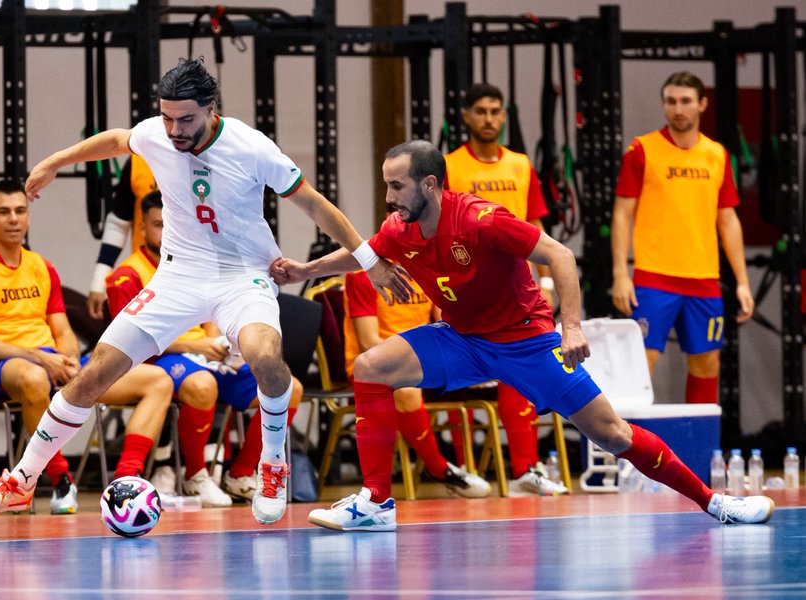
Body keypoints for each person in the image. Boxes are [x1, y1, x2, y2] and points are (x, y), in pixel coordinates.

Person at [0, 57, 410, 526]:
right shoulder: (158, 131)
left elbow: (317, 207)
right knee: (94, 375)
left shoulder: (251, 147)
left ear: (212, 109)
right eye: (167, 117)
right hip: (178, 276)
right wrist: (55, 161)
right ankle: (22, 480)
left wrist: (369, 261)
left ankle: (272, 463)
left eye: (186, 119)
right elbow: (117, 139)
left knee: (266, 358)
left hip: (243, 275)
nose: (174, 129)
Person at [271, 139, 774, 531]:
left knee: (612, 434)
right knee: (371, 367)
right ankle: (377, 501)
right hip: (461, 339)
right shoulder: (400, 228)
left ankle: (715, 501)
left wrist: (570, 325)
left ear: (429, 184)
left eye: (397, 187)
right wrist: (304, 270)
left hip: (525, 343)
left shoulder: (482, 221)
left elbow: (561, 255)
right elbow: (365, 253)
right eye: (386, 186)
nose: (388, 197)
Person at [0, 180, 173, 518]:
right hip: (2, 367)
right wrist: (42, 357)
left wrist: (69, 359)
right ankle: (58, 480)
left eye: (20, 211)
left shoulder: (42, 266)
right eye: (4, 212)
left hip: (52, 360)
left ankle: (127, 477)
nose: (14, 219)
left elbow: (62, 329)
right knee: (34, 377)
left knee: (157, 379)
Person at [104, 191, 304, 506]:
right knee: (202, 384)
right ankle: (196, 476)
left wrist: (220, 345)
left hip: (204, 355)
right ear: (142, 228)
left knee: (289, 388)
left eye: (173, 224)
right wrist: (197, 345)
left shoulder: (198, 264)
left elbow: (214, 317)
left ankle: (241, 474)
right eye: (158, 225)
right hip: (160, 361)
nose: (167, 232)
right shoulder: (126, 275)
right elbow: (128, 345)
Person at [444, 82, 566, 495]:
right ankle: (464, 470)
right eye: (480, 111)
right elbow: (432, 230)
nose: (489, 119)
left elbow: (536, 228)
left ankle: (524, 471)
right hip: (463, 287)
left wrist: (546, 281)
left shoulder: (520, 164)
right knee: (461, 375)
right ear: (466, 116)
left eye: (496, 111)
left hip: (517, 289)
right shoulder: (449, 166)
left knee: (520, 370)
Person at [611, 72, 754, 404]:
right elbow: (622, 214)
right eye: (671, 101)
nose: (678, 109)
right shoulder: (641, 149)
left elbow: (728, 220)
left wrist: (743, 281)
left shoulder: (717, 154)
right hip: (653, 277)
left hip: (704, 279)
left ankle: (699, 452)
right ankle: (635, 454)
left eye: (686, 101)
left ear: (702, 104)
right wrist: (621, 273)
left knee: (706, 363)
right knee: (642, 363)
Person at [343, 269, 489, 498]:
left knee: (497, 370)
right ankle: (439, 468)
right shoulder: (362, 276)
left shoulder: (427, 270)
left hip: (420, 360)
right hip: (372, 364)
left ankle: (499, 469)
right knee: (407, 391)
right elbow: (368, 341)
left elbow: (446, 325)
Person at [88, 154, 158, 320]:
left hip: (194, 271)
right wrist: (98, 281)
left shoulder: (210, 157)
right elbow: (119, 223)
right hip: (146, 275)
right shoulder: (140, 160)